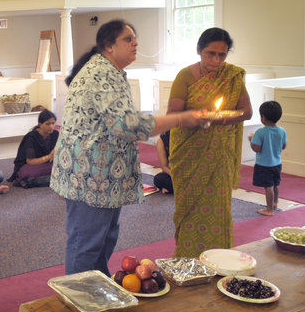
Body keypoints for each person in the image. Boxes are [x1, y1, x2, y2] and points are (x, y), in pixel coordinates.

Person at [51, 20, 206, 276]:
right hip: (89, 177)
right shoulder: (101, 73)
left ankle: (96, 292)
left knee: (102, 240)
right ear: (109, 46)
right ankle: (80, 301)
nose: (136, 44)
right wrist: (182, 118)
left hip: (100, 177)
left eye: (135, 38)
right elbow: (128, 125)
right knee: (86, 245)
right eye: (128, 39)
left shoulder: (111, 72)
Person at [167, 27, 253, 258]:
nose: (216, 60)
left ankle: (219, 259)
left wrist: (223, 117)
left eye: (222, 55)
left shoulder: (232, 76)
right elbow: (173, 114)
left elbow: (246, 112)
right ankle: (187, 258)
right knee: (189, 209)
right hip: (190, 154)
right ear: (198, 51)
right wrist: (197, 117)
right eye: (210, 54)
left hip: (219, 155)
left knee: (219, 209)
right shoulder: (185, 76)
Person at [249, 101, 287, 216]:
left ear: (263, 117)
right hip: (277, 163)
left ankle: (269, 209)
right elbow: (283, 146)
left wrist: (251, 140)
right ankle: (275, 202)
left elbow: (256, 148)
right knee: (275, 184)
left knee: (268, 186)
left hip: (264, 164)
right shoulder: (282, 131)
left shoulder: (260, 132)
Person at [9, 109, 59, 188]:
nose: (51, 126)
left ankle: (38, 180)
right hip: (30, 165)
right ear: (40, 124)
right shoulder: (31, 138)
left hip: (47, 164)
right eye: (48, 124)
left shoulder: (55, 134)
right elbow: (30, 161)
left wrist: (55, 151)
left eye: (53, 123)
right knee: (26, 173)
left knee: (64, 166)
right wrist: (49, 156)